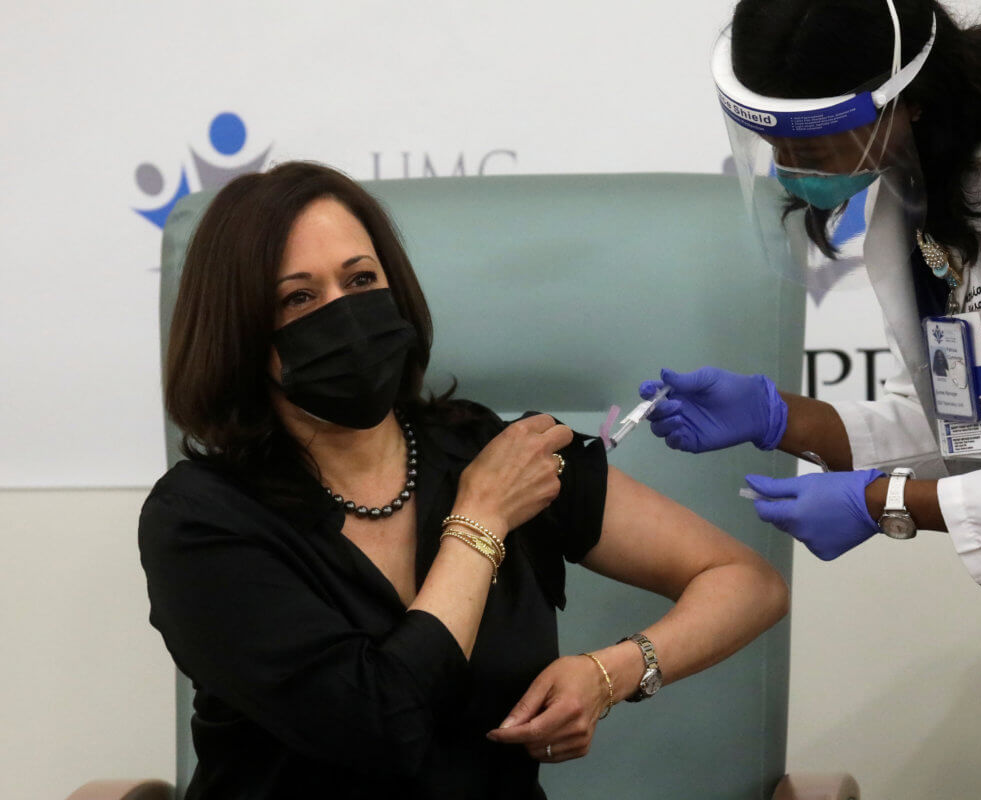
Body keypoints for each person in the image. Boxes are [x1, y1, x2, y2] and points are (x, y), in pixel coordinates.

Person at [641, 0, 981, 796]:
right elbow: (965, 421)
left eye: (804, 135)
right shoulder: (919, 193)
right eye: (767, 134)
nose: (782, 157)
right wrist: (780, 418)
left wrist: (884, 501)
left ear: (897, 94)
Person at [139, 161, 789, 799]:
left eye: (362, 279)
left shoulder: (493, 452)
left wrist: (609, 673)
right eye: (299, 297)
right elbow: (382, 728)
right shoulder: (202, 518)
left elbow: (747, 585)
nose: (344, 315)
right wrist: (479, 521)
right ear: (241, 332)